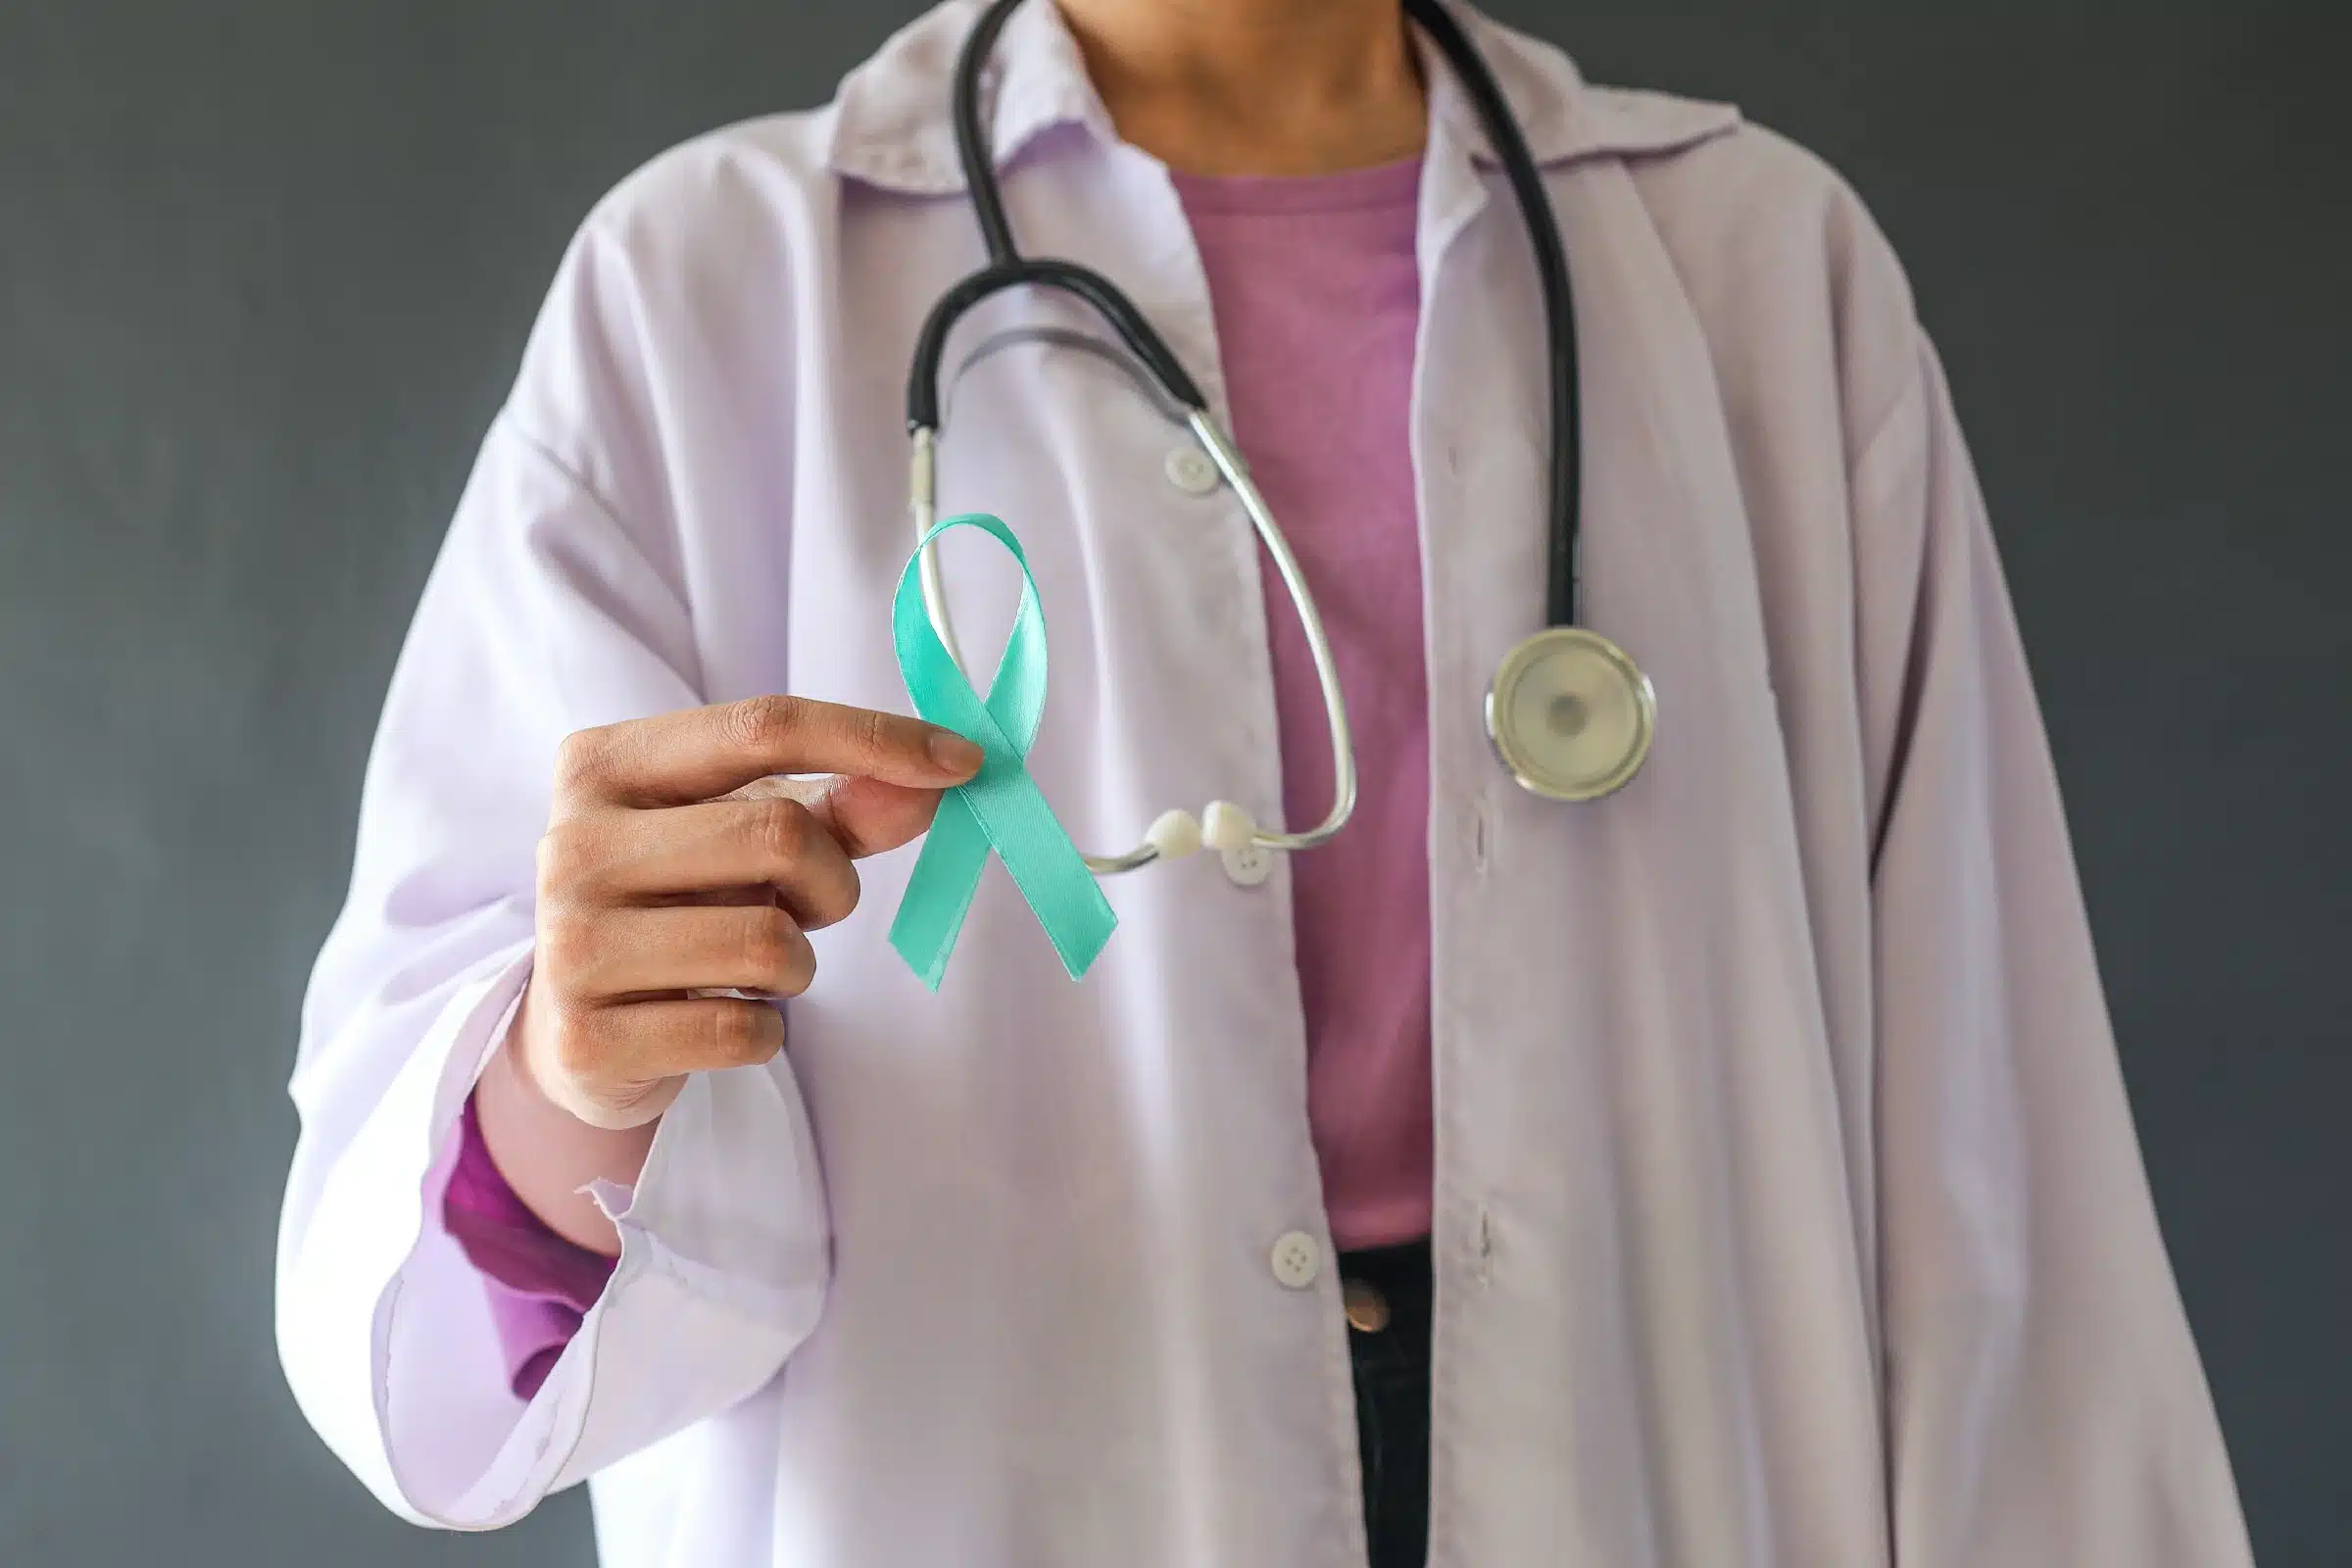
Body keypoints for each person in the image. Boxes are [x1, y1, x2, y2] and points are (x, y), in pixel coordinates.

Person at [273, 0, 2257, 1563]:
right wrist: (571, 1074)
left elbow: (1999, 1204)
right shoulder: (705, 293)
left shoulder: (1763, 275)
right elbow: (439, 1346)